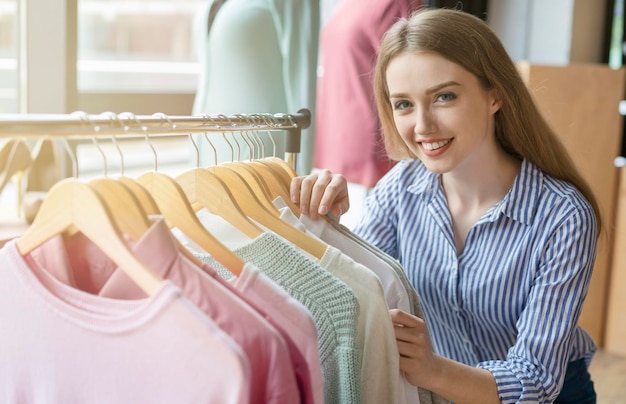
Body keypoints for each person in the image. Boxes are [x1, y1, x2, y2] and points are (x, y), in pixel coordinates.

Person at [291, 7, 599, 404]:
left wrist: (431, 368)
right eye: (403, 104)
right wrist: (331, 228)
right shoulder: (398, 191)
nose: (422, 126)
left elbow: (535, 382)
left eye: (444, 97)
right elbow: (358, 296)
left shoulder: (563, 216)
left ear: (495, 95)